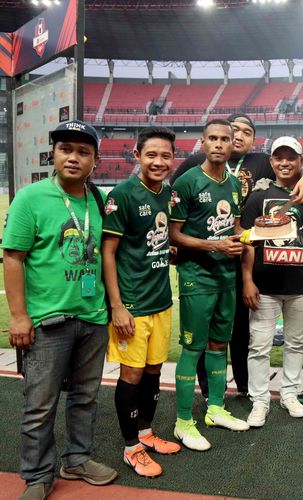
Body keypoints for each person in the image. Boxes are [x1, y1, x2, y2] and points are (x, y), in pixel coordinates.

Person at [3, 120, 117, 499]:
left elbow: (104, 255)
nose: (73, 157)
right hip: (47, 321)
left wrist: (110, 307)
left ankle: (78, 458)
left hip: (92, 317)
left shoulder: (98, 200)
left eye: (83, 152)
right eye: (66, 149)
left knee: (85, 397)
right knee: (39, 405)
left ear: (95, 161)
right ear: (53, 154)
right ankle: (37, 476)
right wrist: (19, 316)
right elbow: (13, 258)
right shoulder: (30, 198)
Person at [172, 113, 303, 399]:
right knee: (200, 336)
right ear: (206, 141)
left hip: (239, 259)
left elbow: (295, 168)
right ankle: (208, 390)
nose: (235, 137)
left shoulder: (259, 163)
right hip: (200, 265)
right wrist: (177, 243)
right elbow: (171, 203)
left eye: (245, 132)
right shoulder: (191, 169)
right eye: (228, 133)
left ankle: (244, 388)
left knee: (237, 328)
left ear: (253, 140)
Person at [102, 126, 181, 478]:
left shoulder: (169, 194)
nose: (159, 161)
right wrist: (118, 306)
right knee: (131, 375)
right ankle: (131, 446)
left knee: (153, 371)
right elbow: (109, 253)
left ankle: (146, 432)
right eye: (151, 154)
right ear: (136, 156)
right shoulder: (123, 194)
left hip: (161, 300)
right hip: (132, 305)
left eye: (165, 155)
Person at [170, 119, 250, 452]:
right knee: (193, 348)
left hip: (225, 277)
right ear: (202, 143)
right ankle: (183, 421)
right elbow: (174, 235)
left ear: (233, 145)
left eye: (225, 139)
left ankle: (215, 408)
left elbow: (233, 227)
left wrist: (247, 236)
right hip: (196, 277)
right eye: (213, 138)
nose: (219, 144)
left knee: (220, 345)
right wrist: (214, 246)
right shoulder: (187, 182)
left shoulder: (233, 184)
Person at [240, 137, 303, 426]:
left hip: (300, 284)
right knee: (259, 345)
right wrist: (247, 280)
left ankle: (289, 393)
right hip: (264, 285)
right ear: (271, 162)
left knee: (295, 343)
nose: (284, 163)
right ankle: (260, 400)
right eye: (278, 158)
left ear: (300, 161)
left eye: (290, 157)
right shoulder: (259, 195)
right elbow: (247, 242)